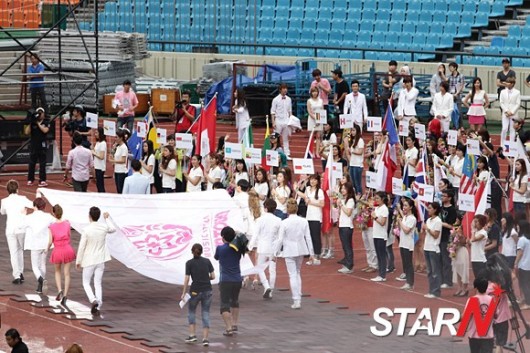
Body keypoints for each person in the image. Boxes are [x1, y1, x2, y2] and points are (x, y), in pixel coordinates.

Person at [274, 199, 315, 309]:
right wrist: (312, 253)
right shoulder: (304, 221)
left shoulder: (284, 222)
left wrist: (275, 252)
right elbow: (308, 237)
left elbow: (280, 239)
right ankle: (298, 296)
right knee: (297, 272)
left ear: (287, 209)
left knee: (292, 274)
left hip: (289, 250)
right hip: (301, 248)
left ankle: (296, 299)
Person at [76, 207, 115, 315]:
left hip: (89, 260)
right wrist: (107, 218)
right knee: (98, 283)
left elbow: (81, 247)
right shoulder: (103, 227)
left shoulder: (87, 230)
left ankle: (93, 300)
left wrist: (78, 261)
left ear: (89, 216)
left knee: (86, 282)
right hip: (101, 259)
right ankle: (98, 305)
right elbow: (113, 229)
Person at [182, 243, 215, 347]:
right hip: (207, 290)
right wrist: (206, 278)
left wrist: (183, 292)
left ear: (192, 251)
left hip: (195, 290)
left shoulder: (189, 263)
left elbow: (187, 278)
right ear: (201, 251)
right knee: (205, 313)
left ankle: (192, 335)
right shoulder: (207, 261)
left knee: (191, 311)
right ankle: (205, 339)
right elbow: (213, 276)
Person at [248, 198, 281, 299]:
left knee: (260, 268)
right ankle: (270, 290)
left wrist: (250, 246)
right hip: (273, 247)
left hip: (262, 246)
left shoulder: (260, 220)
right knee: (272, 270)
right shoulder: (278, 220)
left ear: (265, 208)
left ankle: (266, 286)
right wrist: (278, 250)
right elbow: (280, 237)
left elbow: (255, 235)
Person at [1, 180, 32, 284]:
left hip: (10, 229)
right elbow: (33, 205)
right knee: (20, 251)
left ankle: (17, 275)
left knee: (13, 252)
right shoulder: (22, 199)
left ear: (8, 190)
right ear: (17, 189)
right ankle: (21, 272)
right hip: (22, 228)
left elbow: (2, 212)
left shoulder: (4, 201)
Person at [214, 226, 243, 336]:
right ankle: (234, 324)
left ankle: (228, 328)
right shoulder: (238, 248)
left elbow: (216, 257)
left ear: (223, 237)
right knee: (235, 301)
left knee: (224, 305)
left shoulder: (220, 249)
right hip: (237, 279)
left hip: (225, 279)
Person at [21, 197, 54, 294]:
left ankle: (41, 281)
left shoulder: (29, 217)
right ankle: (40, 286)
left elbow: (21, 226)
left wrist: (23, 215)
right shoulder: (48, 216)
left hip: (35, 244)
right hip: (45, 244)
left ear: (35, 206)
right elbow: (54, 222)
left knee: (35, 266)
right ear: (43, 207)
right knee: (42, 264)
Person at [48, 204, 76, 306]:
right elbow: (69, 236)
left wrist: (46, 249)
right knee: (67, 273)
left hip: (58, 250)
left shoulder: (51, 226)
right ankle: (65, 295)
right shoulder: (67, 224)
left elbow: (50, 241)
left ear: (53, 213)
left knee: (57, 271)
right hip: (67, 249)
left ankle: (59, 289)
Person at [464, 277, 495, 352]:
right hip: (488, 335)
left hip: (474, 335)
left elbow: (465, 317)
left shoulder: (472, 300)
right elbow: (496, 314)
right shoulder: (491, 299)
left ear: (476, 288)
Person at [300, 174, 324, 264]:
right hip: (308, 216)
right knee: (308, 236)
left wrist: (311, 202)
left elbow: (322, 204)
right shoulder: (307, 189)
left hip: (316, 217)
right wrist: (296, 189)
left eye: (314, 180)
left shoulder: (320, 191)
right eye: (311, 180)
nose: (312, 181)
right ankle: (311, 255)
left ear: (317, 181)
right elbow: (304, 197)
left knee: (315, 236)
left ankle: (317, 254)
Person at [422, 202, 443, 298]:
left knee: (435, 271)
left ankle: (436, 291)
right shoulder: (428, 220)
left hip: (434, 249)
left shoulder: (438, 221)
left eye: (430, 208)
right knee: (429, 271)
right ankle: (431, 290)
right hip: (427, 247)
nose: (428, 210)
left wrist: (428, 229)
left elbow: (436, 235)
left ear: (435, 209)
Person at [25, 107, 50, 186]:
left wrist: (38, 124)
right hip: (34, 145)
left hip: (42, 145)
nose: (40, 114)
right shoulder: (33, 123)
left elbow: (45, 130)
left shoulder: (46, 122)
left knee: (42, 163)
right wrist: (31, 122)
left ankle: (42, 180)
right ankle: (30, 179)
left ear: (43, 114)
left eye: (41, 113)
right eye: (38, 113)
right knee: (32, 163)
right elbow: (26, 132)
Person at [396, 197, 417, 290]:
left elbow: (407, 230)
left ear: (411, 207)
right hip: (403, 243)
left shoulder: (412, 218)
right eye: (403, 205)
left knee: (408, 264)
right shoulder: (405, 217)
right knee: (405, 263)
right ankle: (407, 282)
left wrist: (400, 222)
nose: (403, 207)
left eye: (405, 205)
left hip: (408, 244)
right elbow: (401, 230)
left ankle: (410, 283)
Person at [337, 182, 356, 274]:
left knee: (347, 246)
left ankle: (349, 265)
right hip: (342, 225)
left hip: (347, 226)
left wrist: (341, 205)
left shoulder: (350, 200)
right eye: (342, 188)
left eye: (344, 188)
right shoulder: (344, 199)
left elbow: (348, 212)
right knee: (344, 246)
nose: (342, 190)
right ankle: (346, 262)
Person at [440, 190, 457, 289]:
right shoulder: (440, 208)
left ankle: (448, 281)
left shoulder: (452, 210)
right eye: (441, 195)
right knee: (440, 259)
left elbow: (452, 226)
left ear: (449, 198)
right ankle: (441, 279)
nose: (442, 197)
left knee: (446, 259)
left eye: (444, 196)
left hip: (446, 237)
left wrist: (440, 223)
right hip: (439, 236)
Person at [370, 192, 389, 282]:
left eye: (377, 198)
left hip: (381, 235)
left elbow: (382, 222)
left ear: (382, 199)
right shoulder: (376, 208)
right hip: (376, 234)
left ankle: (382, 275)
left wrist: (375, 217)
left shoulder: (384, 209)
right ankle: (380, 274)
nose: (376, 200)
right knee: (378, 254)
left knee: (381, 255)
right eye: (375, 198)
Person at [270, 83, 292, 159]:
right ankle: (274, 152)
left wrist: (291, 121)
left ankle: (287, 154)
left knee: (286, 138)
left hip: (286, 121)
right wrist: (273, 122)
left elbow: (290, 111)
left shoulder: (289, 99)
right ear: (280, 89)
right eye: (283, 88)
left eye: (286, 88)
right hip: (278, 121)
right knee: (275, 138)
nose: (285, 90)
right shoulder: (275, 99)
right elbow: (272, 111)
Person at [499, 76, 520, 147]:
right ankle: (502, 145)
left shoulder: (517, 92)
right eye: (506, 82)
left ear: (512, 84)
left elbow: (518, 103)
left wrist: (512, 112)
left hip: (513, 114)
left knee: (512, 129)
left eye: (508, 82)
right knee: (504, 128)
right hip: (505, 113)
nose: (507, 83)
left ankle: (512, 145)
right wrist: (506, 111)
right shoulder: (502, 92)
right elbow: (501, 102)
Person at [344, 124, 364, 195]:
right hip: (352, 164)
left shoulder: (360, 140)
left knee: (357, 183)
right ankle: (355, 196)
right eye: (351, 130)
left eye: (353, 130)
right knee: (353, 183)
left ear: (357, 131)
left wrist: (351, 151)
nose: (352, 132)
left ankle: (359, 196)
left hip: (358, 165)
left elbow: (360, 152)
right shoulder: (353, 140)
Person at [514, 220, 530, 310]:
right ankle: (526, 299)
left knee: (524, 284)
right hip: (528, 264)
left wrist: (515, 263)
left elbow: (519, 253)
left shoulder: (522, 239)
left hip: (524, 265)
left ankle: (528, 303)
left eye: (518, 227)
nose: (517, 228)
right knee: (528, 283)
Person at [108, 129, 128, 193]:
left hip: (122, 171)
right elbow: (114, 156)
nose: (115, 139)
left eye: (116, 137)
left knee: (121, 189)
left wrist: (113, 161)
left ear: (121, 138)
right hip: (117, 170)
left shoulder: (124, 147)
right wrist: (113, 149)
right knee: (118, 189)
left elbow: (123, 160)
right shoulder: (118, 147)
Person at [307, 87, 324, 157]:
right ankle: (312, 151)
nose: (315, 93)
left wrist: (320, 119)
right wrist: (315, 118)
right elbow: (309, 111)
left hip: (319, 120)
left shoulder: (321, 101)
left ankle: (317, 152)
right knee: (311, 137)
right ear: (311, 93)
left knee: (318, 136)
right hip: (312, 119)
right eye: (313, 92)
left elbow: (322, 111)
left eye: (316, 91)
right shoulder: (309, 101)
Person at [470, 214, 489, 279]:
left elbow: (474, 239)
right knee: (477, 279)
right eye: (474, 222)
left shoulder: (483, 232)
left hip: (480, 259)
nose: (475, 224)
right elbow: (470, 242)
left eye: (476, 222)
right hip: (474, 258)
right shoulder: (476, 232)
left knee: (481, 279)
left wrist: (472, 230)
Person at [448, 62, 465, 128]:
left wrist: (456, 93)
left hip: (458, 95)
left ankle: (461, 126)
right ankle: (454, 125)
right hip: (451, 95)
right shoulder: (449, 76)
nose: (450, 68)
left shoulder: (461, 76)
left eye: (451, 67)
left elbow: (461, 85)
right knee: (452, 111)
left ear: (455, 67)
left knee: (459, 111)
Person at [92, 127, 107, 193]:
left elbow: (101, 156)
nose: (95, 134)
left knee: (100, 185)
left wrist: (94, 153)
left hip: (100, 167)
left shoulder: (103, 143)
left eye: (96, 133)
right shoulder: (98, 143)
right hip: (96, 166)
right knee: (98, 185)